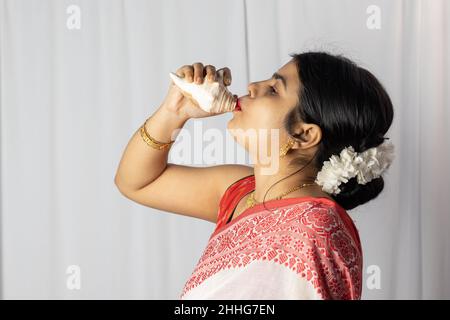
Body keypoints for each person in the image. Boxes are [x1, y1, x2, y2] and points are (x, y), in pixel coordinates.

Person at [114, 51, 395, 299]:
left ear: (303, 133)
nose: (252, 86)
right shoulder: (241, 193)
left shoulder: (314, 227)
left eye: (274, 90)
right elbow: (137, 182)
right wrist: (173, 112)